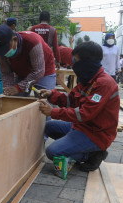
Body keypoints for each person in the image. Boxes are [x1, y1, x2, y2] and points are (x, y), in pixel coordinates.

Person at [38, 41, 120, 172]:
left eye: (76, 61)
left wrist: (53, 112)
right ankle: (76, 145)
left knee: (52, 152)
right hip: (81, 127)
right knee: (48, 127)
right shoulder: (87, 79)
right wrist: (52, 95)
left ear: (88, 62)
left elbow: (83, 114)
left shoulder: (104, 83)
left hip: (96, 134)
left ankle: (93, 154)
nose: (74, 65)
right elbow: (71, 100)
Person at [0, 24, 56, 97]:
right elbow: (6, 73)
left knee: (44, 101)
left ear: (15, 40)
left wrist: (19, 88)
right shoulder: (0, 52)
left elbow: (39, 71)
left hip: (44, 71)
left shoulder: (32, 42)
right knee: (14, 101)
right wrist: (8, 89)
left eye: (6, 49)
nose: (4, 53)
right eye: (2, 50)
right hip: (22, 72)